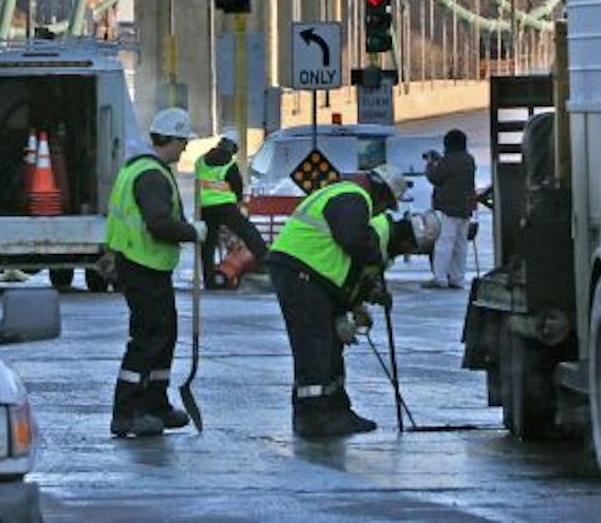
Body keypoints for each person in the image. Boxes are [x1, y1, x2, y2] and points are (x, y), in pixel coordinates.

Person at [267, 163, 440, 437]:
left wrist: (353, 308)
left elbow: (347, 275)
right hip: (300, 272)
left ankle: (337, 410)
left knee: (330, 347)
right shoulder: (354, 198)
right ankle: (313, 418)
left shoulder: (371, 225)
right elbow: (353, 241)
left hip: (313, 277)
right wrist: (371, 266)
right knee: (315, 346)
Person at [102, 105, 204, 438]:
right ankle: (127, 412)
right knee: (147, 339)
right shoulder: (151, 175)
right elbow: (159, 224)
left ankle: (155, 403)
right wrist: (193, 233)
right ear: (171, 140)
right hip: (141, 267)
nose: (186, 147)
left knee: (165, 334)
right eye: (183, 141)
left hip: (144, 266)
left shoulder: (142, 169)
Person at [192, 125, 269, 285]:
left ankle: (209, 279)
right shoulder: (230, 165)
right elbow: (238, 187)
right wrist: (239, 203)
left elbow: (198, 182)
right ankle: (264, 261)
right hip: (225, 207)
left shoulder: (201, 161)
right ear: (233, 147)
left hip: (204, 208)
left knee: (208, 244)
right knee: (248, 231)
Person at [423, 128, 478, 289]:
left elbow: (435, 177)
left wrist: (431, 163)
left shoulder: (448, 160)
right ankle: (457, 278)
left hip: (449, 208)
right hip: (465, 207)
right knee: (461, 244)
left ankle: (440, 278)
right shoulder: (469, 159)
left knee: (444, 243)